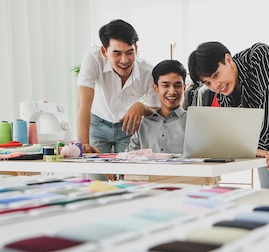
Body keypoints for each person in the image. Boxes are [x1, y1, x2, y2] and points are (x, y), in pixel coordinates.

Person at [187, 41, 269, 189]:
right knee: (267, 194)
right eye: (208, 83)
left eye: (216, 75)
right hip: (264, 140)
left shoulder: (259, 56)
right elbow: (234, 133)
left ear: (228, 59)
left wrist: (256, 147)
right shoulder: (223, 95)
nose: (216, 86)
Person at [76, 19, 159, 154]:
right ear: (104, 51)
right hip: (97, 123)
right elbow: (83, 104)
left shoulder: (149, 72)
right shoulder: (93, 59)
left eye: (129, 52)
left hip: (128, 127)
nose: (124, 60)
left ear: (136, 49)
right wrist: (84, 144)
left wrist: (142, 108)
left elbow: (158, 114)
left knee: (129, 173)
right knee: (95, 173)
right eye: (117, 53)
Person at [128, 59, 187, 154]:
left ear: (184, 88)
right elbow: (129, 158)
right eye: (166, 85)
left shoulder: (192, 122)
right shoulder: (142, 125)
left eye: (177, 85)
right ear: (156, 88)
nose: (172, 91)